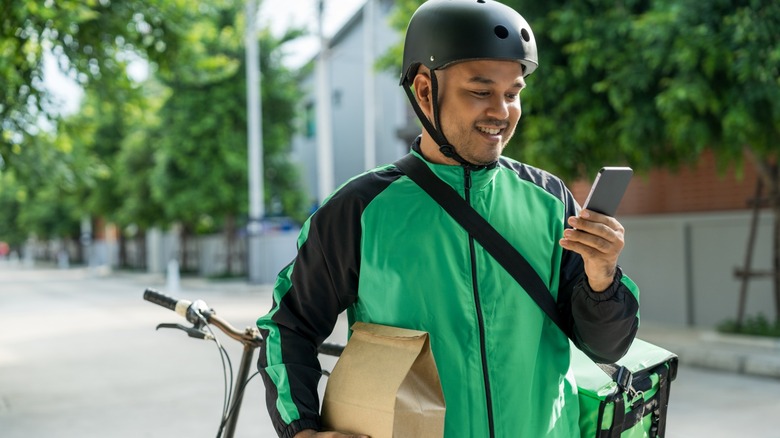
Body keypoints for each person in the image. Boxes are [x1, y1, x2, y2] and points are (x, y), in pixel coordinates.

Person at [256, 0, 640, 437]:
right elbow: (288, 326)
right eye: (481, 92)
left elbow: (605, 346)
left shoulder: (551, 201)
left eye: (513, 93)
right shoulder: (359, 210)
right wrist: (303, 430)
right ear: (424, 90)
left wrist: (602, 279)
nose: (502, 111)